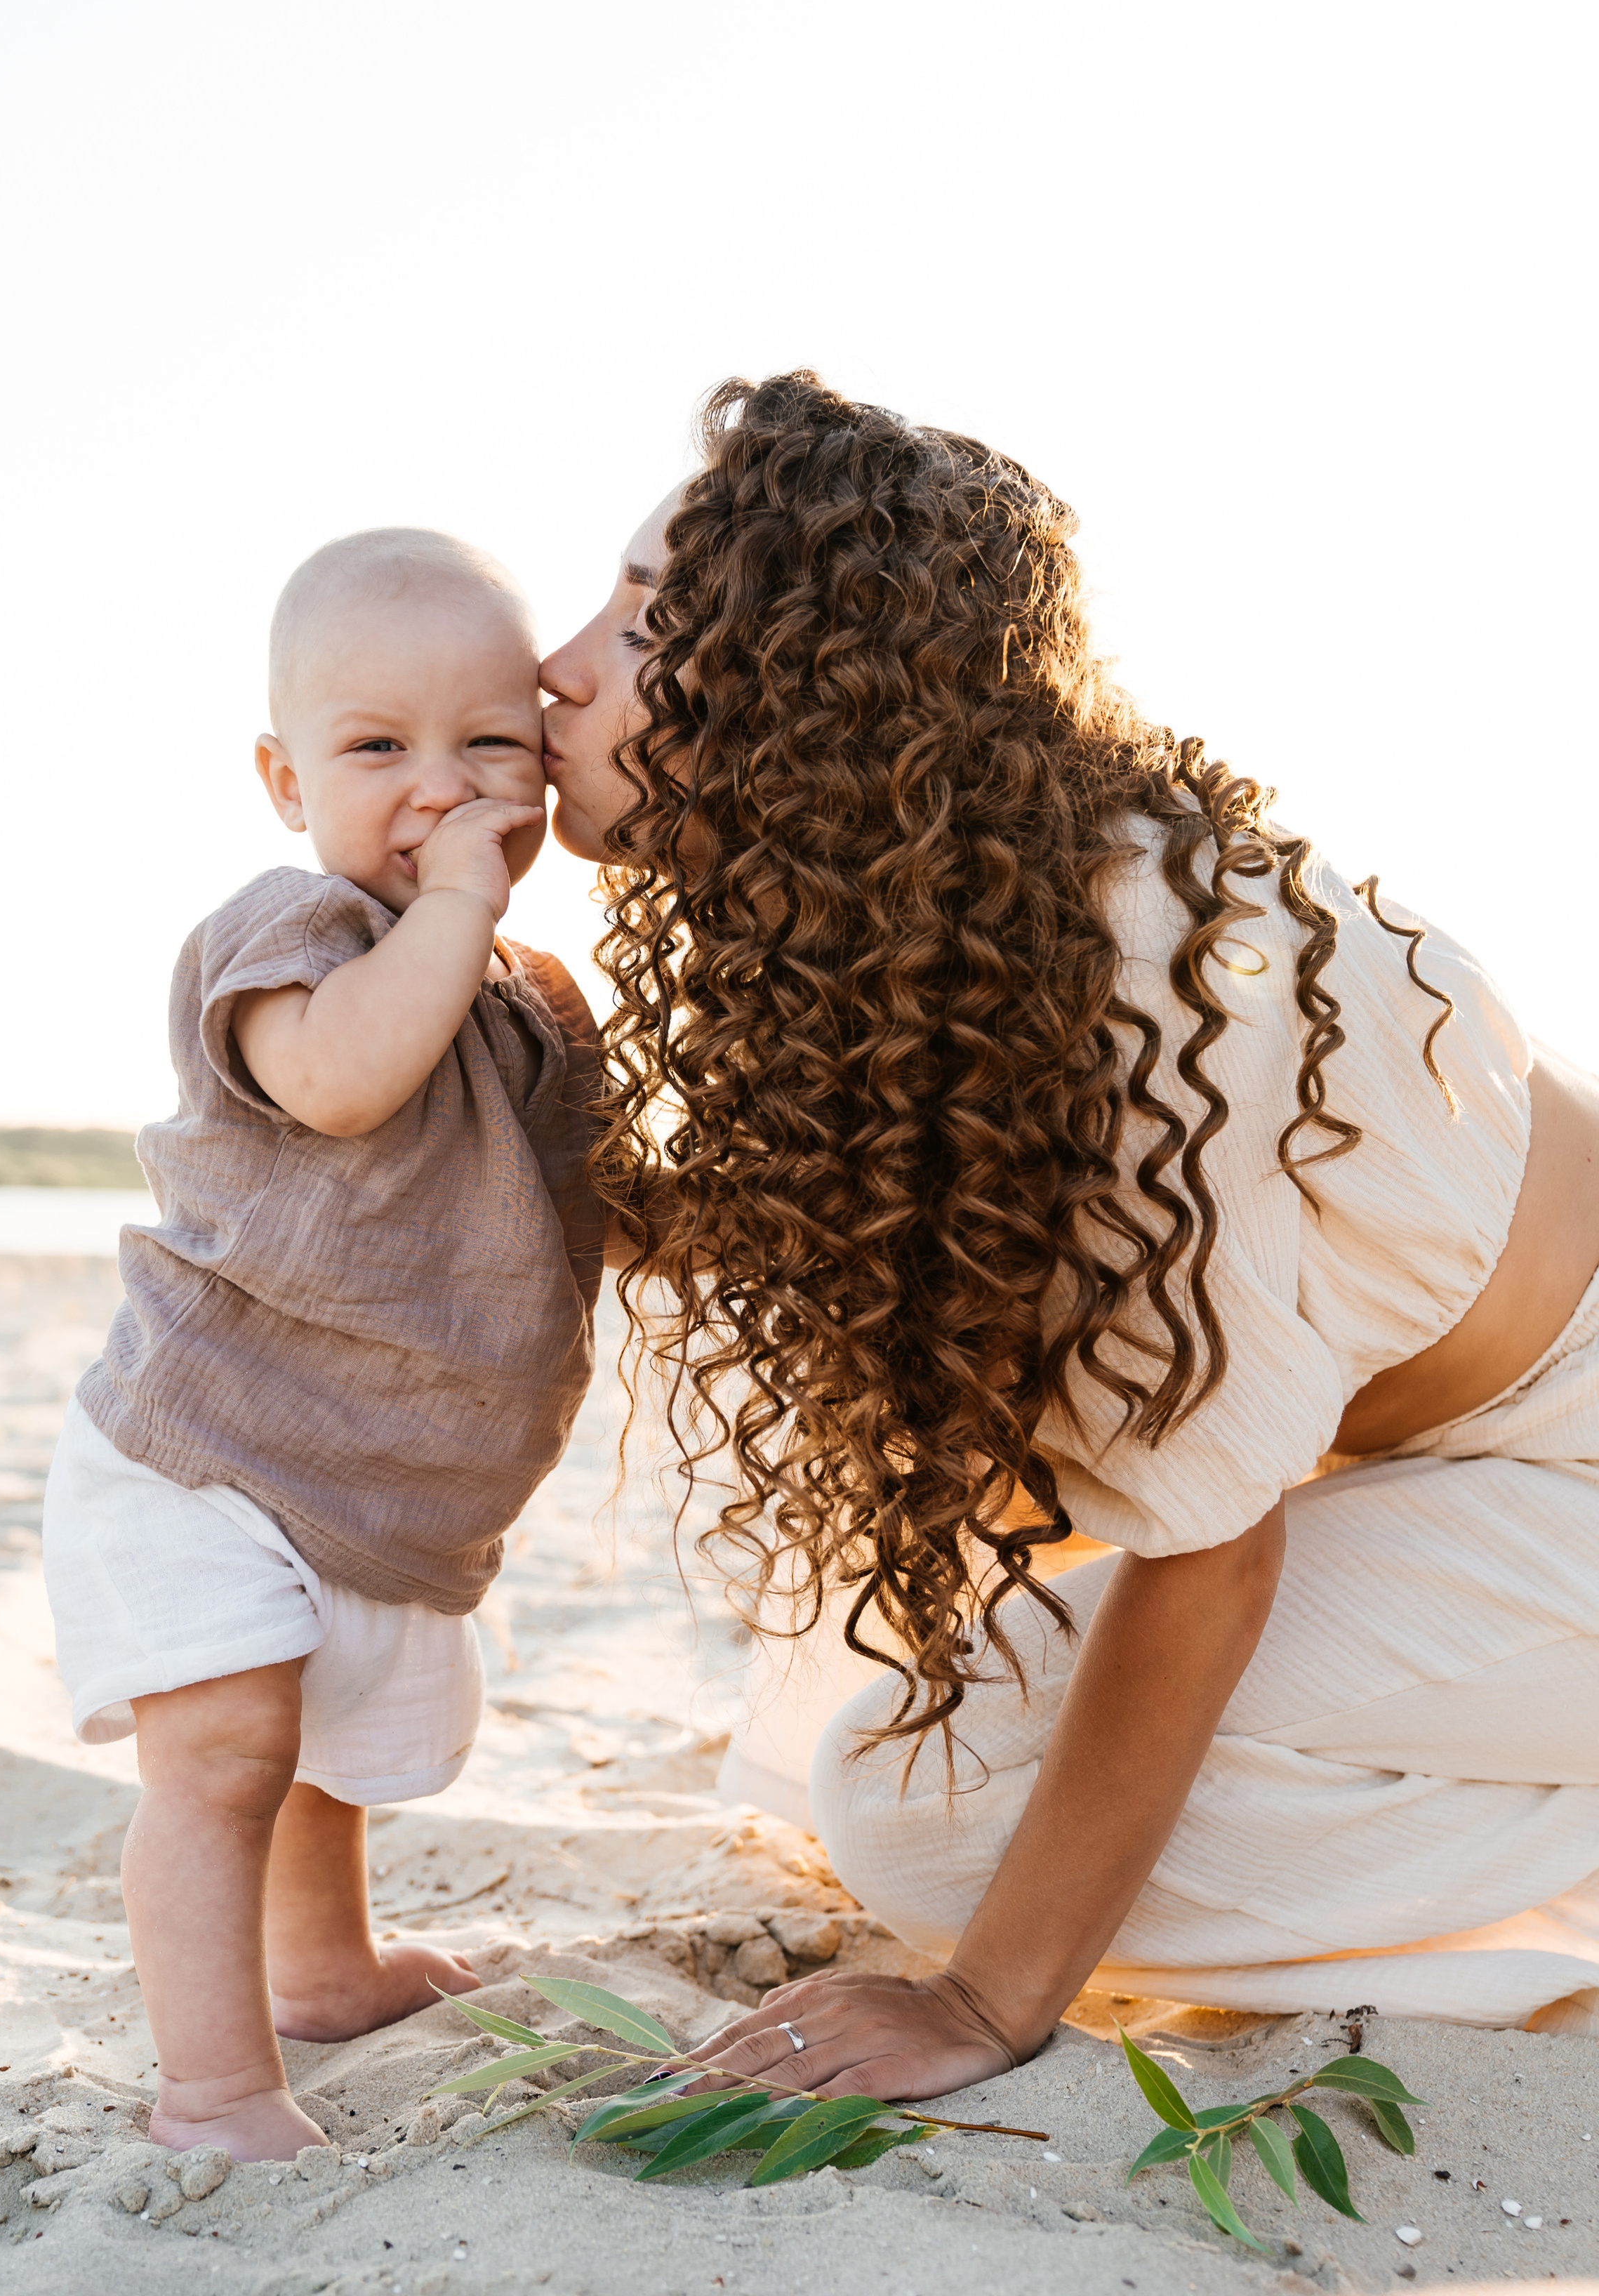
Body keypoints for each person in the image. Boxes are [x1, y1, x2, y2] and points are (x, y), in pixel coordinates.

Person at [538, 369, 1599, 2104]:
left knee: (915, 1831)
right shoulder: (974, 923)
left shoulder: (1142, 985)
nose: (558, 671)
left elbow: (1209, 1558)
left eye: (644, 625)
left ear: (817, 694)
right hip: (1492, 1453)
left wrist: (983, 2006)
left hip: (1569, 1462)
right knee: (839, 1712)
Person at [42, 529, 604, 2160]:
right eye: (378, 748)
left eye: (487, 744)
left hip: (375, 1480)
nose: (436, 785)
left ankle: (325, 1970)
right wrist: (451, 910)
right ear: (288, 780)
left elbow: (571, 1208)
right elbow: (345, 1080)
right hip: (205, 1446)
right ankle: (214, 2092)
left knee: (331, 1757)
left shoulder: (518, 998)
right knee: (225, 1760)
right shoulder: (293, 934)